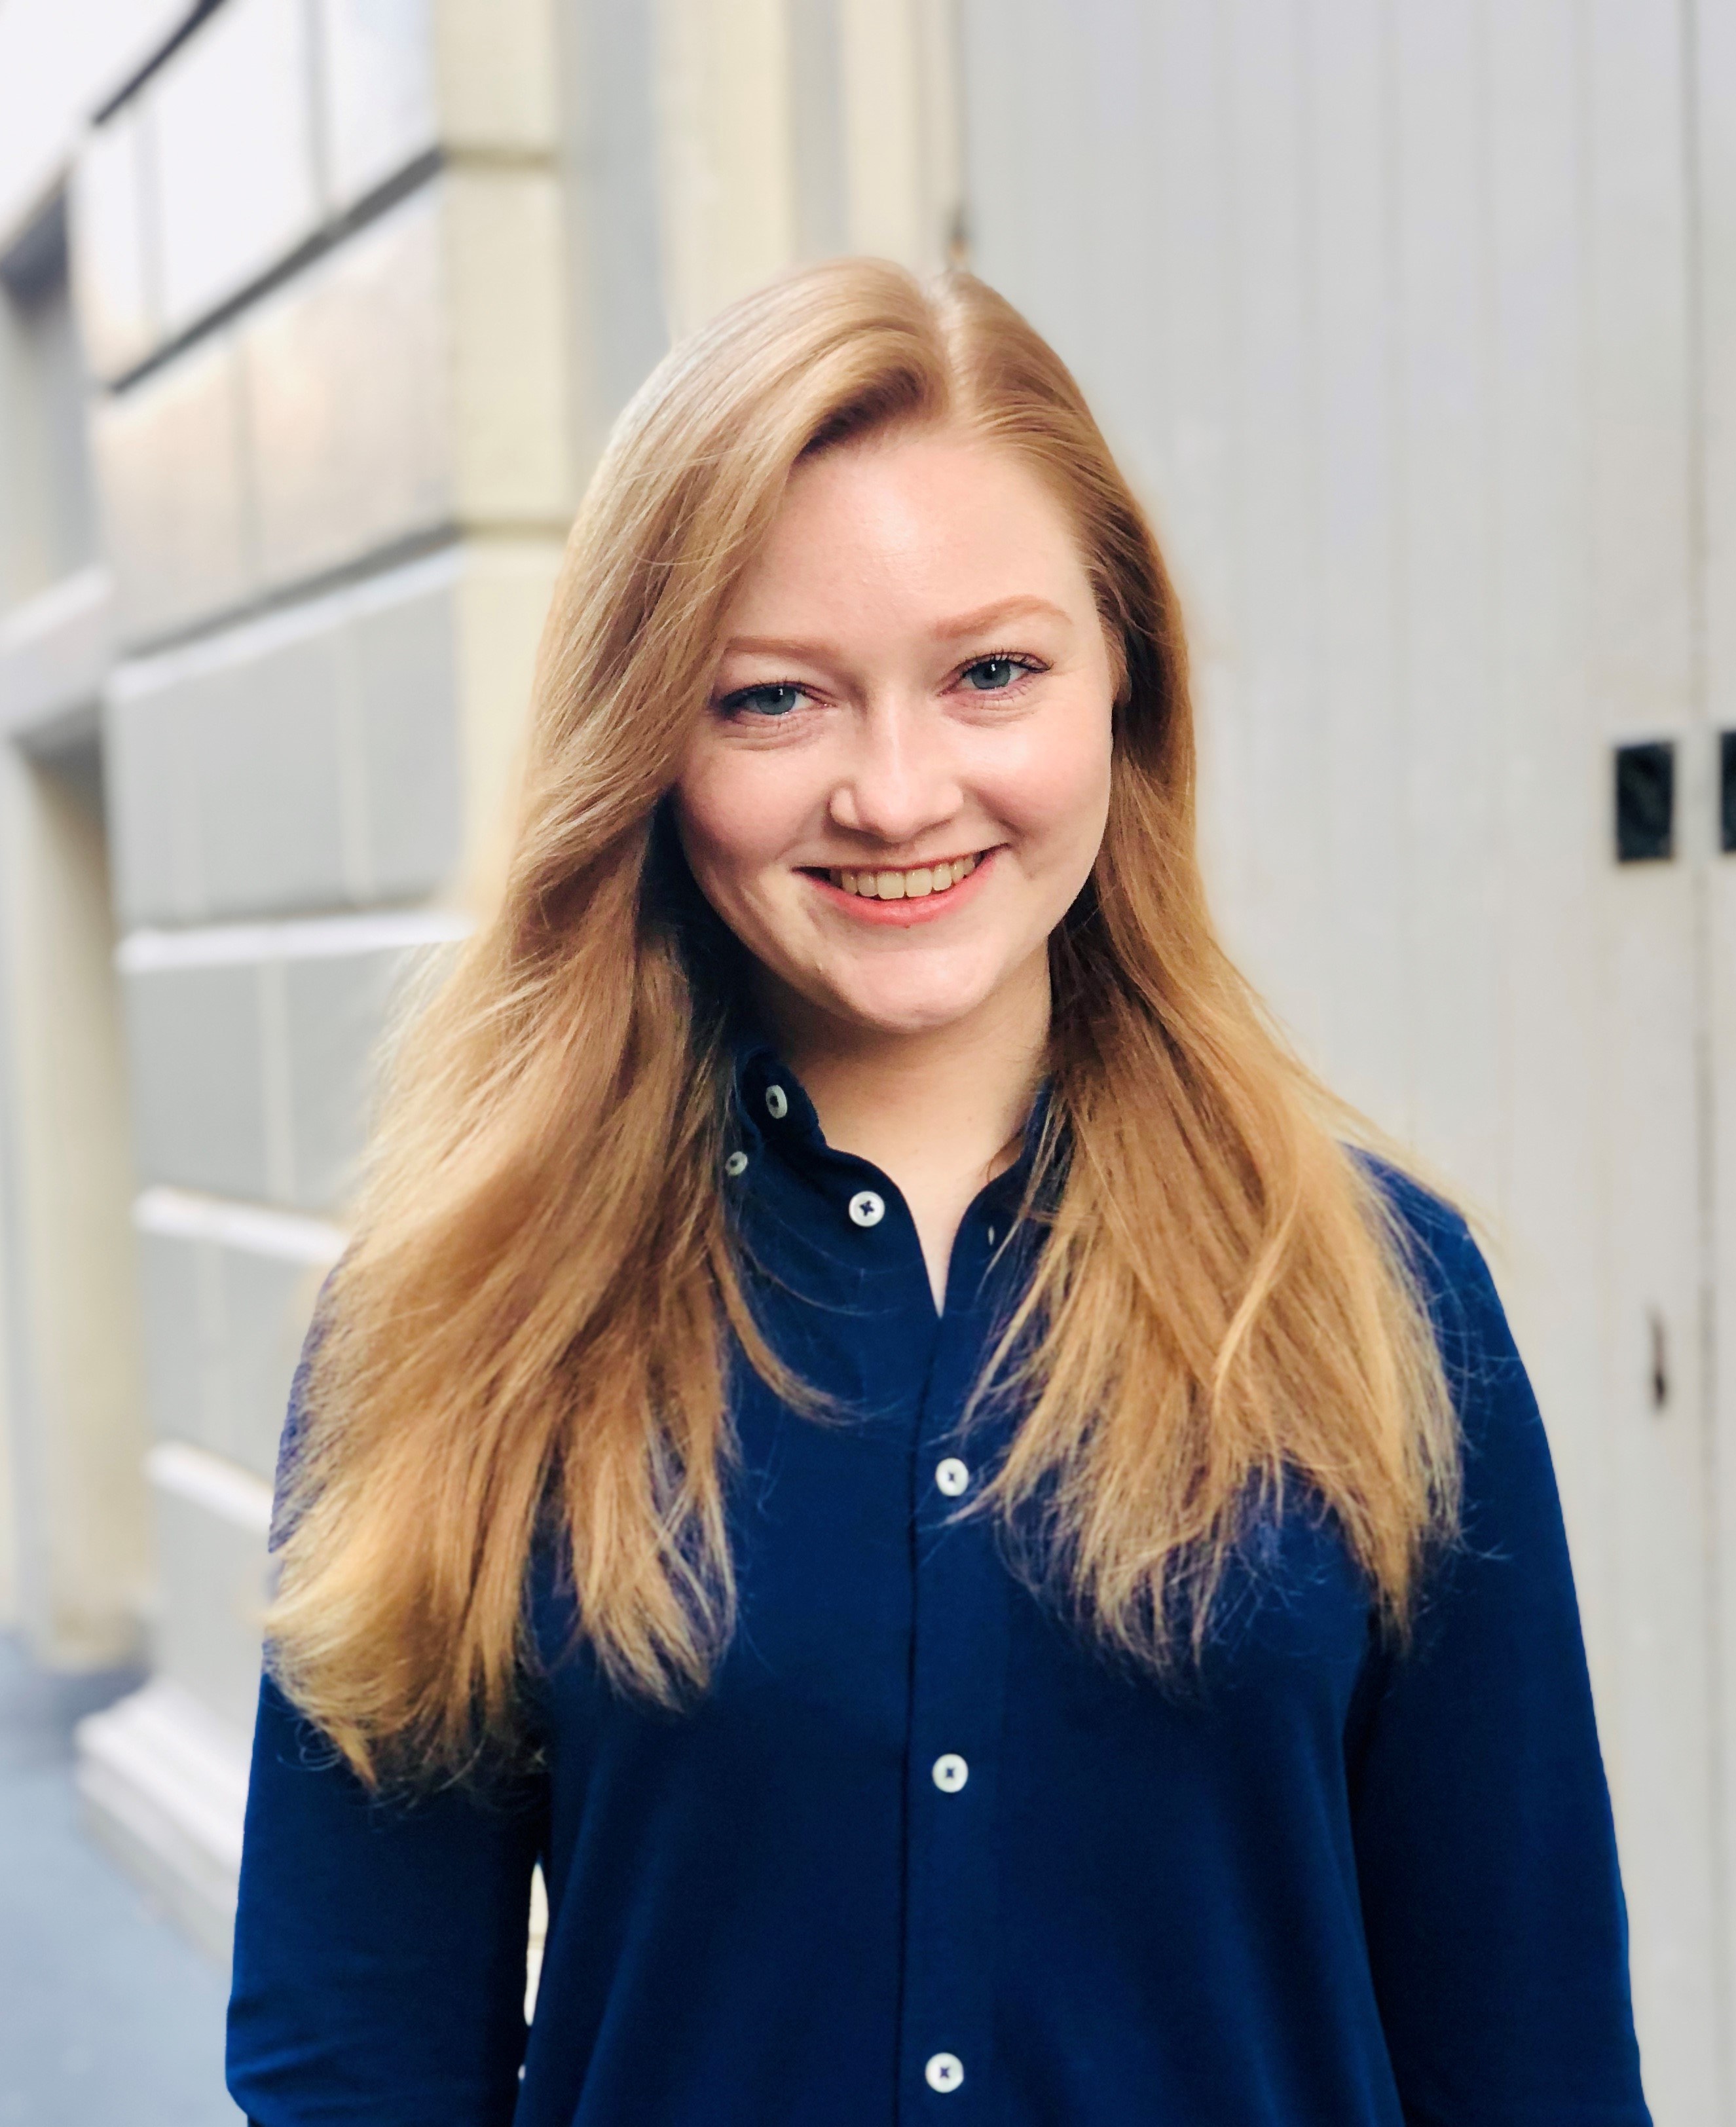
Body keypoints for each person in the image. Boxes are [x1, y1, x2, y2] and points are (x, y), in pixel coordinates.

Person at [225, 259, 1651, 2127]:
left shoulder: (1378, 1293)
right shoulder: (460, 1317)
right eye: (771, 700)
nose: (896, 795)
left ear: (1120, 688)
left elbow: (1528, 2057)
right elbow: (355, 2062)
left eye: (991, 672)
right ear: (647, 740)